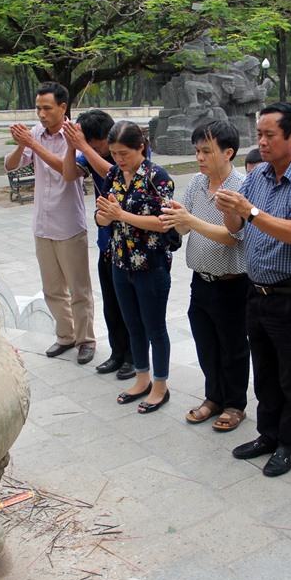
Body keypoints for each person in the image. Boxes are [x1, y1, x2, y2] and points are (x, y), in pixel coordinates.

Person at [215, 102, 291, 477]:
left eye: (269, 135)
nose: (260, 141)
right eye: (259, 134)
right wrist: (230, 208)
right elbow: (236, 229)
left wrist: (250, 211)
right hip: (257, 292)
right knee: (263, 372)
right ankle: (268, 434)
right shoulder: (258, 175)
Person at [159, 120, 250, 432]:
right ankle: (213, 397)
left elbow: (231, 237)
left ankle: (235, 404)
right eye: (197, 150)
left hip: (232, 282)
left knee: (233, 347)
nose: (199, 157)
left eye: (206, 151)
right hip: (201, 280)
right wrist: (176, 219)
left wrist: (189, 220)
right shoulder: (198, 183)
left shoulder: (240, 188)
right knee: (207, 343)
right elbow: (185, 227)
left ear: (228, 153)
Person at [6, 81, 96, 364]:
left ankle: (86, 340)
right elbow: (10, 165)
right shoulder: (35, 134)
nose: (41, 114)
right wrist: (22, 146)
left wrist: (32, 144)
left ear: (62, 108)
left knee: (78, 289)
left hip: (69, 224)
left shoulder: (74, 135)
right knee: (52, 289)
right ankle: (65, 336)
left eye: (47, 108)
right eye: (38, 108)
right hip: (42, 224)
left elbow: (66, 171)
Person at [95, 121, 174, 414]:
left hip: (150, 264)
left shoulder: (157, 177)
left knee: (155, 327)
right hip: (119, 261)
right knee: (133, 325)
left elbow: (164, 223)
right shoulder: (114, 174)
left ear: (141, 147)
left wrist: (121, 214)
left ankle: (161, 385)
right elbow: (101, 217)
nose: (118, 160)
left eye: (124, 153)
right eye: (114, 153)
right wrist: (107, 215)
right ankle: (141, 379)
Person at [61, 110, 135, 381]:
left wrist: (83, 147)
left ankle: (134, 357)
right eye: (89, 144)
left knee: (131, 307)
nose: (95, 149)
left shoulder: (130, 148)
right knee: (111, 304)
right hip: (108, 242)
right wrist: (72, 148)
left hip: (133, 243)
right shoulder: (88, 151)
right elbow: (69, 175)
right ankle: (117, 353)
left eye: (97, 144)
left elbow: (115, 174)